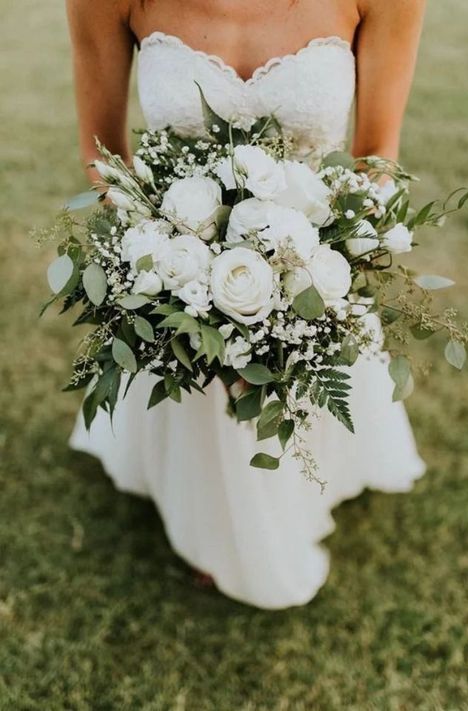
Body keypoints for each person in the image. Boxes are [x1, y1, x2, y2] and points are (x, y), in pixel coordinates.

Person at [66, 0, 427, 609]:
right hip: (180, 264)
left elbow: (374, 160)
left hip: (311, 268)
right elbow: (104, 158)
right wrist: (178, 278)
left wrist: (306, 280)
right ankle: (210, 520)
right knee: (201, 392)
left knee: (298, 398)